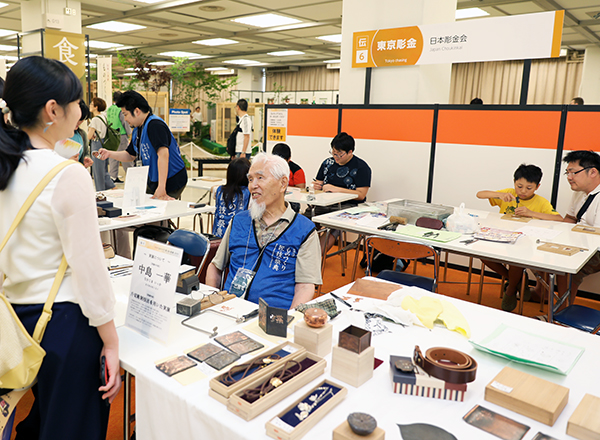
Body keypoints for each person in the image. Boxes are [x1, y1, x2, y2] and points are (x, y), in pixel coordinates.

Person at [0, 56, 120, 439]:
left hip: (13, 323)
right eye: (76, 102)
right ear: (53, 110)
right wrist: (111, 341)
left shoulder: (6, 167)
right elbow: (88, 269)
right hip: (64, 326)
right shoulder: (66, 175)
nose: (81, 111)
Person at [206, 153, 322, 309]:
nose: (253, 185)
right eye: (250, 179)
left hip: (271, 318)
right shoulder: (239, 221)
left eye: (260, 178)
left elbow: (305, 286)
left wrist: (288, 322)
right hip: (230, 310)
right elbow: (215, 266)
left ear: (282, 184)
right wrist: (213, 301)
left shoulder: (304, 230)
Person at [476, 164, 562, 312]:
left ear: (537, 186)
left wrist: (532, 213)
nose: (522, 191)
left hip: (524, 242)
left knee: (516, 260)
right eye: (519, 186)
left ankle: (510, 291)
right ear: (514, 182)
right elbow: (479, 194)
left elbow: (559, 219)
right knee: (480, 251)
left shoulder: (540, 202)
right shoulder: (508, 193)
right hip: (501, 236)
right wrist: (499, 195)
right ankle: (517, 281)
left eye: (529, 188)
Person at [96, 90, 188, 200]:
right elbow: (130, 155)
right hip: (153, 179)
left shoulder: (155, 125)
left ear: (137, 111)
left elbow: (163, 154)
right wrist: (109, 153)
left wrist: (161, 187)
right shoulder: (138, 130)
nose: (125, 119)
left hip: (171, 178)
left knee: (160, 212)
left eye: (125, 114)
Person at [313, 132, 372, 251]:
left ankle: (315, 257)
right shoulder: (328, 163)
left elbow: (361, 195)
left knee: (333, 227)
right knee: (304, 223)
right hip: (324, 203)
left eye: (339, 155)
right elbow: (319, 183)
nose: (336, 158)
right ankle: (298, 256)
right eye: (334, 153)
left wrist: (335, 189)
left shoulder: (361, 167)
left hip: (347, 207)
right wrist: (317, 186)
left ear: (350, 152)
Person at [555, 150, 600, 306]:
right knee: (541, 256)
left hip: (596, 248)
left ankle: (562, 313)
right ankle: (543, 294)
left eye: (573, 172)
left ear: (593, 172)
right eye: (567, 173)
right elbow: (570, 218)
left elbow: (597, 235)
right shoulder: (579, 192)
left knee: (564, 267)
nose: (569, 177)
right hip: (580, 243)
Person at [212, 157, 251, 238]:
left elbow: (213, 188)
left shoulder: (219, 190)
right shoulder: (249, 192)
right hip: (237, 240)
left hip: (217, 237)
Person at [88, 97, 115, 191]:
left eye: (91, 104)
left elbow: (89, 136)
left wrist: (90, 133)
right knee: (103, 169)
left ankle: (100, 191)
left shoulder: (95, 119)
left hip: (96, 146)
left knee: (97, 170)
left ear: (96, 107)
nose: (90, 106)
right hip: (103, 144)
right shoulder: (103, 117)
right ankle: (111, 187)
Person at [107, 91, 133, 183]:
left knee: (113, 155)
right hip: (121, 134)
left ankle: (113, 176)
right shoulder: (120, 109)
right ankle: (130, 176)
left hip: (111, 134)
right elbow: (124, 122)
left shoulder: (109, 108)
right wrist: (129, 132)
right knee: (126, 156)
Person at [70, 99, 93, 168]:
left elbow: (86, 153)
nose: (79, 122)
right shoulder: (56, 135)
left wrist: (86, 159)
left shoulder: (82, 134)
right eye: (78, 119)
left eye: (82, 120)